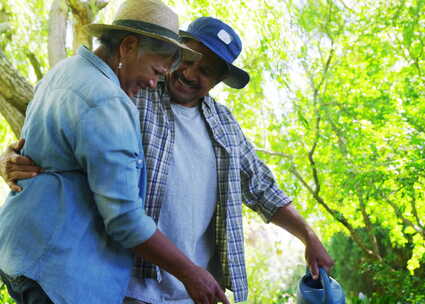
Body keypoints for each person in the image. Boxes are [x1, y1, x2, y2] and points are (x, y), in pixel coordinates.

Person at [1, 17, 334, 304]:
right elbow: (59, 122)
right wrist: (10, 157)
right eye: (185, 60)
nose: (188, 73)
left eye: (205, 70)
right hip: (127, 281)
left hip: (192, 288)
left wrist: (308, 235)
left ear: (218, 81)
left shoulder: (225, 125)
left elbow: (261, 188)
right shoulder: (131, 89)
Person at [0, 1, 231, 304]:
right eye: (154, 70)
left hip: (20, 253)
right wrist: (192, 273)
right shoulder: (108, 101)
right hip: (57, 267)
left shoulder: (65, 70)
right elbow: (124, 219)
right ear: (128, 46)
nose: (152, 83)